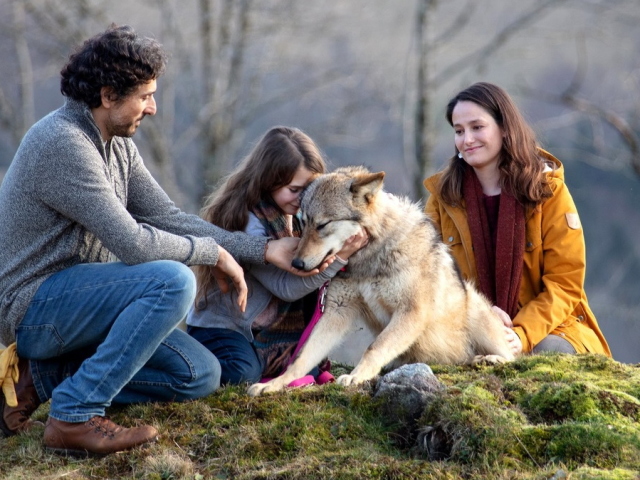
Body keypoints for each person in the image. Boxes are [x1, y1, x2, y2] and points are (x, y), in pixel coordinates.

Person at [0, 25, 320, 457]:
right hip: (35, 308)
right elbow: (134, 244)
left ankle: (40, 378)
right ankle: (75, 415)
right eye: (145, 96)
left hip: (89, 304)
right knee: (172, 281)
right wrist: (213, 253)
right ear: (109, 94)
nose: (152, 108)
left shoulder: (116, 145)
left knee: (199, 374)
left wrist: (260, 250)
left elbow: (167, 218)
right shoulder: (63, 143)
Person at [423, 82, 611, 358]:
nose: (467, 139)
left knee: (550, 355)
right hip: (469, 326)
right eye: (459, 131)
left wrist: (519, 335)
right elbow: (426, 276)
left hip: (550, 329)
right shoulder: (443, 197)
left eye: (477, 127)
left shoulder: (548, 190)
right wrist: (480, 315)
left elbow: (564, 284)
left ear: (504, 128)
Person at [187, 126, 368, 385]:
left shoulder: (298, 214)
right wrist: (339, 258)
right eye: (294, 189)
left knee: (307, 367)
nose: (302, 198)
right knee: (242, 374)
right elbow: (285, 287)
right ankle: (188, 360)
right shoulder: (248, 221)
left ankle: (285, 361)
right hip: (225, 328)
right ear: (269, 181)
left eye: (309, 188)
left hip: (266, 329)